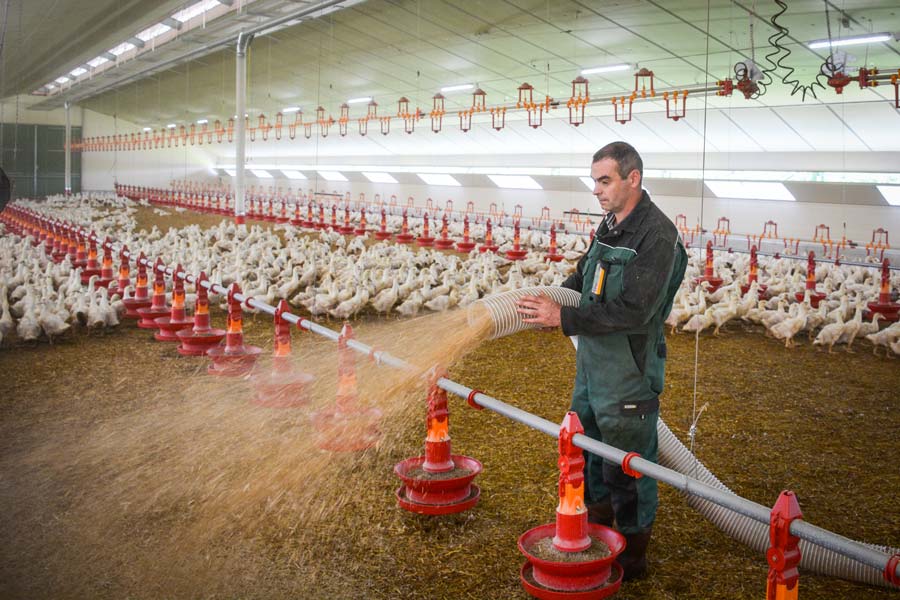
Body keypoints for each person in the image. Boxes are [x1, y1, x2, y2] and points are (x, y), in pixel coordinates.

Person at [516, 141, 687, 581]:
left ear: (634, 178)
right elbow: (584, 275)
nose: (596, 190)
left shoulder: (657, 236)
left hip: (629, 373)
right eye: (594, 181)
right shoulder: (608, 225)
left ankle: (630, 559)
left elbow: (636, 310)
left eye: (605, 180)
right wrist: (553, 301)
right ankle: (595, 536)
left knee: (626, 464)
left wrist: (565, 317)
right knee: (588, 451)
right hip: (593, 368)